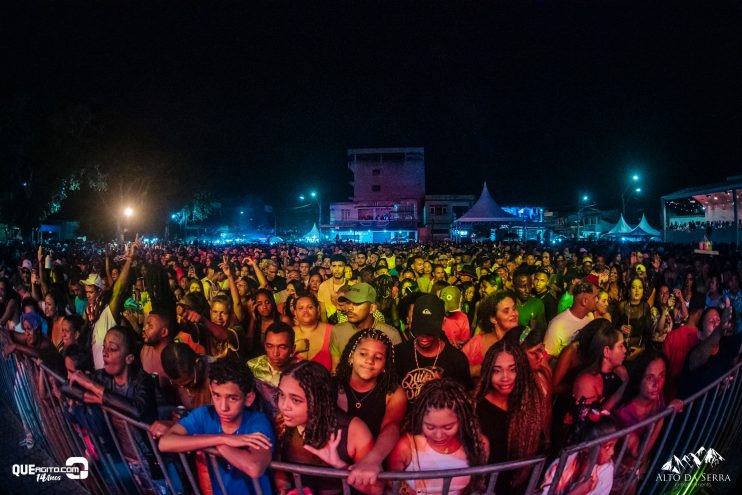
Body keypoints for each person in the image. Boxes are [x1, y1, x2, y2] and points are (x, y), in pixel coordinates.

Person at [159, 358, 274, 495]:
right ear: (210, 390)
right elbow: (165, 443)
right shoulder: (205, 414)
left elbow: (254, 467)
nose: (223, 407)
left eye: (232, 398)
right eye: (216, 395)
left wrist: (210, 442)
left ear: (248, 399)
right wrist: (222, 438)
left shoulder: (258, 421)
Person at [275, 361, 378, 495]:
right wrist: (282, 483)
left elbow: (377, 489)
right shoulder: (282, 423)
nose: (284, 406)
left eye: (296, 400)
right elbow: (280, 467)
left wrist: (340, 465)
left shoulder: (352, 430)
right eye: (282, 395)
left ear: (319, 400)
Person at [387, 378, 489, 495]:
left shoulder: (479, 444)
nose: (438, 435)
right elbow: (391, 488)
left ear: (462, 420)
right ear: (420, 419)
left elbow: (478, 487)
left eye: (448, 427)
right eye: (430, 427)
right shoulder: (405, 447)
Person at [336, 329, 407, 489]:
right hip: (333, 475)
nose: (369, 361)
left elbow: (392, 426)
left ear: (385, 365)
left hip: (373, 477)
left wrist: (372, 460)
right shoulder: (332, 386)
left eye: (378, 357)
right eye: (363, 354)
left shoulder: (393, 393)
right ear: (351, 356)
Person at [474, 339, 549, 491]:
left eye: (512, 369)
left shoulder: (531, 401)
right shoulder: (477, 409)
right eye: (497, 370)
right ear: (488, 373)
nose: (505, 377)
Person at [395, 294, 472, 402]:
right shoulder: (398, 354)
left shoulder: (457, 360)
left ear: (443, 323)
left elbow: (464, 401)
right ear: (411, 321)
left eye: (430, 330)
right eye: (419, 328)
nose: (424, 335)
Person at [83, 239, 138, 370]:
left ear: (100, 291)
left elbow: (118, 290)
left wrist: (129, 260)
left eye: (91, 292)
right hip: (99, 374)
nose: (88, 295)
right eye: (86, 292)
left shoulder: (107, 311)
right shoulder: (91, 314)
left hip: (111, 377)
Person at [329, 283, 401, 372]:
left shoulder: (391, 334)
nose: (349, 308)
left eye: (356, 303)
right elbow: (335, 370)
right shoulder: (338, 331)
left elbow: (395, 372)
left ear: (372, 308)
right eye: (347, 302)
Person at [539, 417, 618, 495]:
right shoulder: (561, 466)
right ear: (587, 447)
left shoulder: (606, 469)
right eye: (607, 447)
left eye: (613, 446)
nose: (612, 452)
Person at [462, 291, 520, 379]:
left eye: (514, 309)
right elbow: (457, 369)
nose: (514, 314)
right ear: (493, 319)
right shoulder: (477, 343)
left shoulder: (524, 339)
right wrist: (478, 370)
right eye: (506, 311)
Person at [544, 281, 597, 359]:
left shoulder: (588, 319)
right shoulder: (556, 326)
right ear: (584, 301)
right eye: (595, 297)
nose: (597, 300)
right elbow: (547, 360)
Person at [612, 277, 653, 356]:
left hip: (638, 349)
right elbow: (611, 326)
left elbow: (647, 333)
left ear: (643, 291)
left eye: (640, 287)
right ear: (629, 290)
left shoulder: (645, 307)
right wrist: (620, 328)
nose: (637, 290)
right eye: (634, 287)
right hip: (620, 349)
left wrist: (641, 348)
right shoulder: (621, 306)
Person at [317, 254, 348, 322]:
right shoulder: (323, 286)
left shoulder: (351, 285)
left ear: (345, 268)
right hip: (330, 326)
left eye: (340, 266)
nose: (337, 269)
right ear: (331, 268)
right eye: (334, 266)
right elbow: (323, 311)